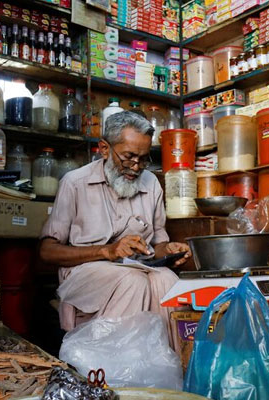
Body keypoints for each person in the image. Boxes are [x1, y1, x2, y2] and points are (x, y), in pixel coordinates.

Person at [39, 111, 190, 343]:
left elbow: (157, 246)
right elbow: (47, 251)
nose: (136, 167)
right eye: (128, 157)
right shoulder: (75, 183)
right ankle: (112, 369)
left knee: (168, 280)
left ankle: (166, 367)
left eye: (143, 158)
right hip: (84, 271)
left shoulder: (151, 184)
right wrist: (106, 251)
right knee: (132, 281)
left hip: (137, 267)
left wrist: (169, 250)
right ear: (105, 149)